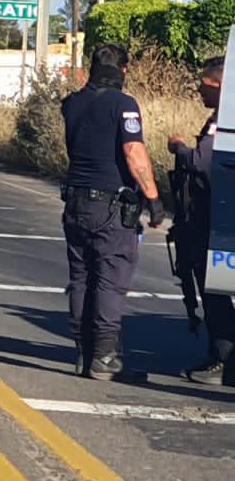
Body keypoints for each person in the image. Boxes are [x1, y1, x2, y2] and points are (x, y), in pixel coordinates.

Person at [60, 43, 165, 379]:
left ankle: (84, 351)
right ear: (124, 70)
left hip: (75, 201)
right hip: (109, 206)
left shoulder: (72, 103)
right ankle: (104, 356)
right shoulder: (124, 104)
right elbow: (133, 151)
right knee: (110, 279)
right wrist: (153, 198)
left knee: (81, 278)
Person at [167, 56, 234, 385]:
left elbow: (202, 163)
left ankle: (223, 361)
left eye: (204, 85)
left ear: (220, 85)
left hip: (217, 222)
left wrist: (179, 148)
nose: (198, 90)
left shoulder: (225, 122)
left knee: (216, 292)